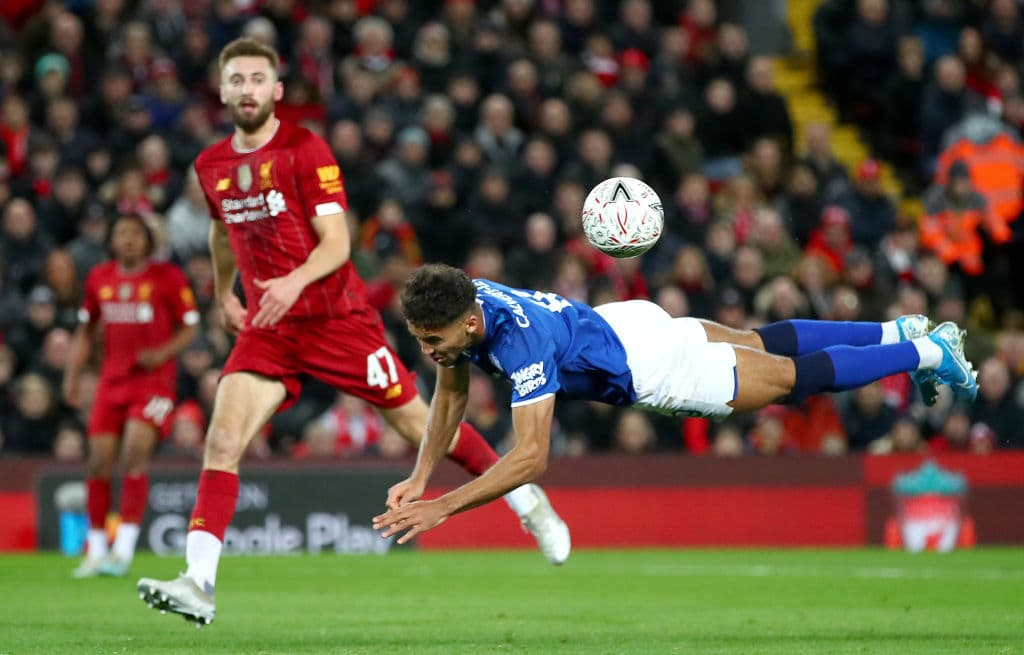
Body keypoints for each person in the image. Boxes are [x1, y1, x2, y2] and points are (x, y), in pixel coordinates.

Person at [137, 38, 569, 626]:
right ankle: (198, 583)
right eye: (236, 79)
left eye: (257, 79)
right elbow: (221, 234)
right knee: (221, 440)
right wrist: (221, 293)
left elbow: (338, 242)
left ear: (277, 90)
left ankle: (528, 503)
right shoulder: (211, 165)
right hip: (268, 328)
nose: (246, 89)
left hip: (336, 320)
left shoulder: (303, 149)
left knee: (420, 423)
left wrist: (292, 281)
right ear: (221, 89)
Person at [372, 264, 979, 544]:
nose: (428, 350)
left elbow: (532, 458)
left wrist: (442, 508)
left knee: (790, 379)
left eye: (433, 339)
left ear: (472, 320)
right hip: (621, 325)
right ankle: (896, 333)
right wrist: (420, 475)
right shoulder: (461, 298)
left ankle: (927, 353)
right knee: (757, 341)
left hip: (652, 367)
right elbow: (450, 390)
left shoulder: (519, 343)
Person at [63, 213, 200, 577]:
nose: (128, 240)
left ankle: (122, 551)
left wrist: (163, 351)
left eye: (135, 234)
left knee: (132, 455)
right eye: (121, 233)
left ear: (148, 241)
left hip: (154, 384)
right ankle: (95, 550)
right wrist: (73, 376)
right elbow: (86, 330)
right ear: (111, 240)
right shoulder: (98, 278)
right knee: (98, 463)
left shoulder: (166, 277)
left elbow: (190, 326)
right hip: (111, 381)